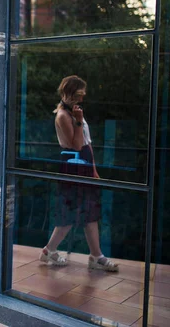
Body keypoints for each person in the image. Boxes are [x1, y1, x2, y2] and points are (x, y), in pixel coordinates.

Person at [39, 75, 118, 272]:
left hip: (83, 166)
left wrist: (93, 169)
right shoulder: (64, 116)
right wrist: (79, 121)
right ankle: (50, 251)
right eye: (80, 95)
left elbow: (86, 144)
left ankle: (95, 256)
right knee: (72, 213)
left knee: (89, 212)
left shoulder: (73, 113)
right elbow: (76, 145)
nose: (82, 99)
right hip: (74, 167)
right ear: (70, 93)